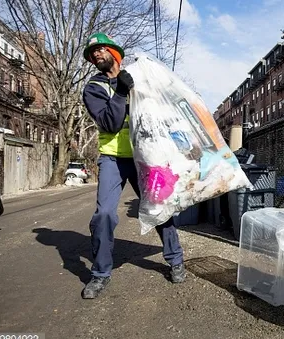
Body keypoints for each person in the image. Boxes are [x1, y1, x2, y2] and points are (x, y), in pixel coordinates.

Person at [80, 32, 186, 299]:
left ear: (115, 53)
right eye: (93, 54)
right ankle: (100, 274)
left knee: (159, 208)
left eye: (101, 50)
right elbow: (110, 123)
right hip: (113, 158)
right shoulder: (94, 87)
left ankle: (175, 260)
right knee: (104, 214)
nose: (96, 55)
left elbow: (162, 109)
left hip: (146, 156)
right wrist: (121, 92)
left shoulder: (139, 76)